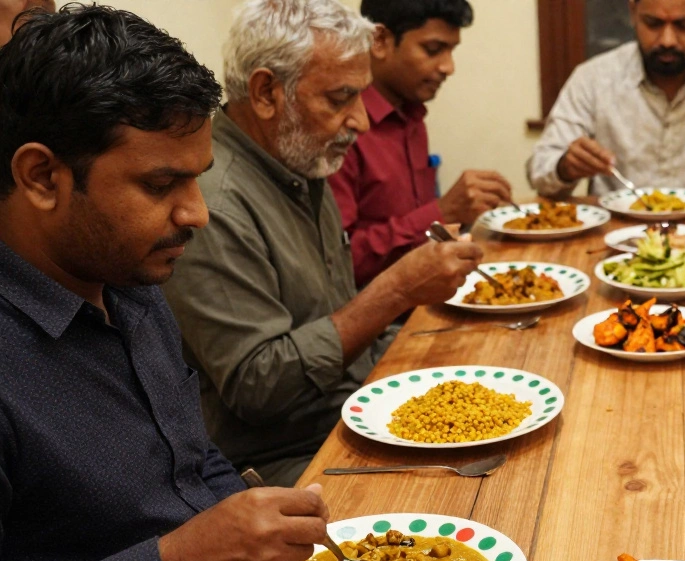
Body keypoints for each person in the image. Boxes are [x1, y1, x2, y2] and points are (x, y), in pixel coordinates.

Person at [0, 7, 333, 561]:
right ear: (40, 176)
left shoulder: (128, 274)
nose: (196, 213)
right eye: (160, 185)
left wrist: (259, 519)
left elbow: (191, 463)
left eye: (199, 179)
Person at [164, 0, 482, 488]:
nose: (362, 121)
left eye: (362, 97)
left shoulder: (301, 162)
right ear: (267, 92)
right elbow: (257, 387)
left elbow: (336, 320)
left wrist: (442, 356)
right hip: (289, 460)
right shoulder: (216, 202)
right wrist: (395, 291)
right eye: (340, 99)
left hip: (356, 411)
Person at [331, 0, 513, 287]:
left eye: (452, 50)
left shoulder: (412, 115)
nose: (448, 67)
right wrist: (441, 213)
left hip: (423, 298)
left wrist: (461, 213)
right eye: (433, 49)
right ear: (379, 41)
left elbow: (420, 236)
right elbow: (338, 264)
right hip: (377, 320)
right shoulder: (339, 126)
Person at [526, 0, 685, 202]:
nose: (667, 40)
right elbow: (539, 172)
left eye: (684, 25)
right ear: (633, 12)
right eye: (653, 23)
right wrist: (565, 167)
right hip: (614, 237)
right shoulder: (593, 79)